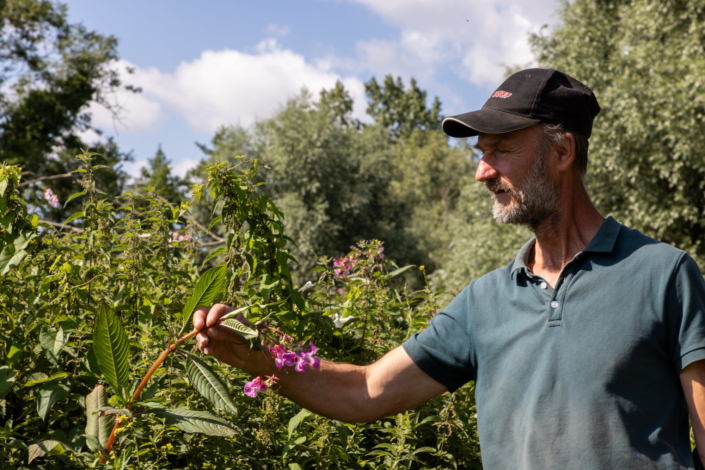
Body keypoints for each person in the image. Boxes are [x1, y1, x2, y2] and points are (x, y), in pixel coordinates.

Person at [195, 68, 705, 469]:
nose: (483, 172)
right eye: (481, 154)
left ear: (562, 151)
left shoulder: (663, 275)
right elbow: (365, 390)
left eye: (501, 150)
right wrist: (263, 355)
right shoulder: (484, 304)